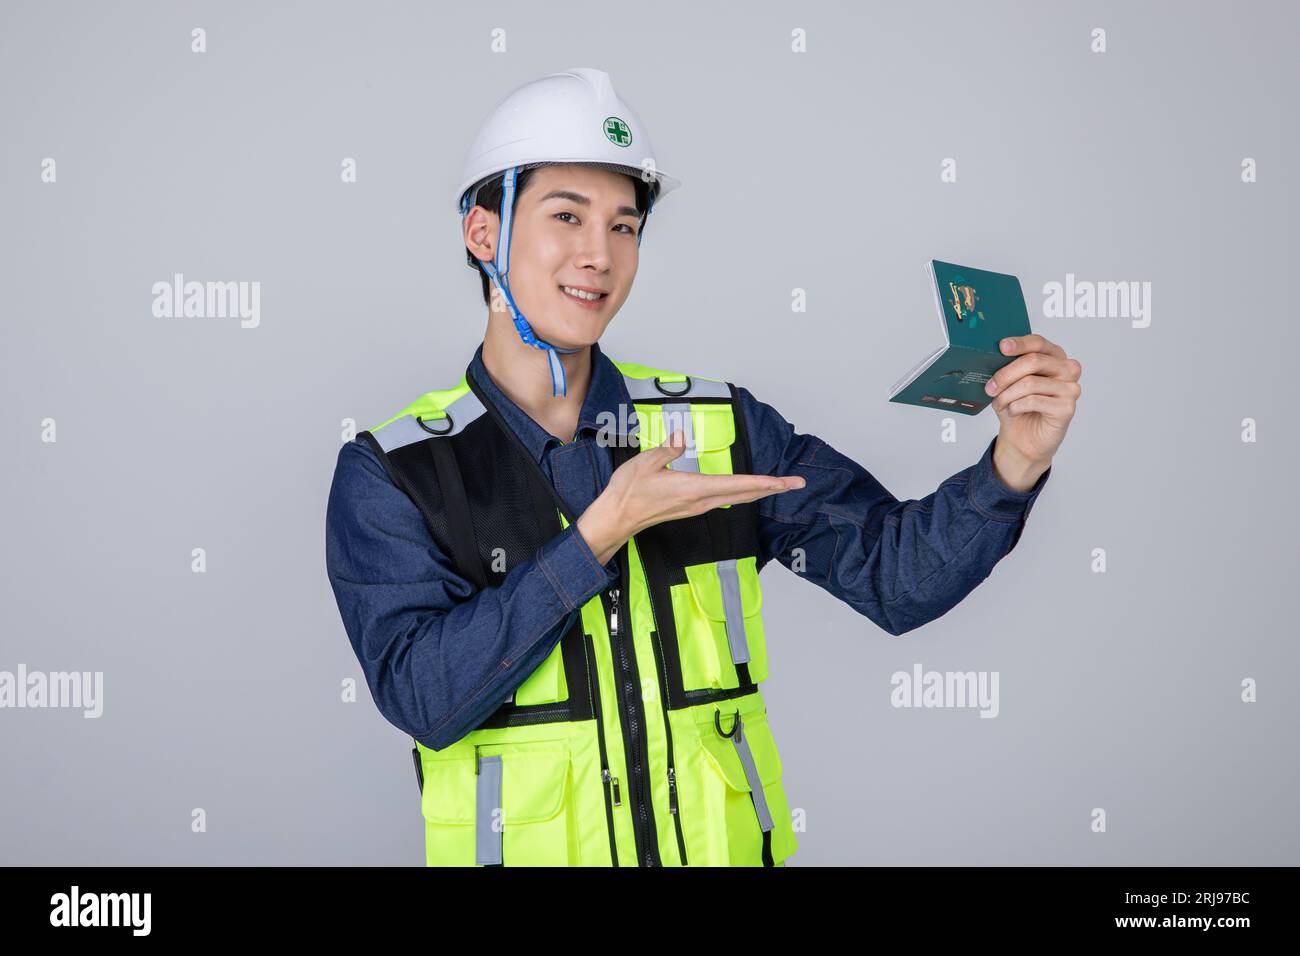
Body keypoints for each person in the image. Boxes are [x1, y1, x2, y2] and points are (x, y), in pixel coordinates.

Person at [325, 67, 1081, 867]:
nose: (599, 255)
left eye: (623, 226)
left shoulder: (719, 426)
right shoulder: (396, 470)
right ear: (486, 234)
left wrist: (1014, 464)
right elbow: (423, 698)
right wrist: (596, 539)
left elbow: (897, 580)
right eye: (566, 216)